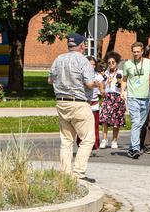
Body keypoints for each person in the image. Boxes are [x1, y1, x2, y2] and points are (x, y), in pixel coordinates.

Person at [48, 33, 99, 179]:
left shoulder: (58, 59)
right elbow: (89, 83)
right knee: (88, 139)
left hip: (62, 102)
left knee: (66, 140)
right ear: (82, 46)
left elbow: (50, 80)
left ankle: (65, 172)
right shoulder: (84, 61)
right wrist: (97, 84)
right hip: (79, 103)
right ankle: (78, 172)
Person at [121, 42, 150, 159]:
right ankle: (136, 148)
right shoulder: (127, 64)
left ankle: (131, 148)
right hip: (133, 97)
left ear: (142, 51)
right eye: (134, 52)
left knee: (140, 124)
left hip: (145, 97)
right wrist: (122, 91)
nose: (136, 54)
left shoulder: (149, 63)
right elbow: (124, 79)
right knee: (136, 122)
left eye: (138, 52)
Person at [99, 51, 126, 149]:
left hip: (117, 96)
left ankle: (114, 140)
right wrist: (102, 90)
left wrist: (120, 83)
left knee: (116, 121)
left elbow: (124, 85)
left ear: (117, 62)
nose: (111, 64)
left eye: (113, 62)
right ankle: (104, 139)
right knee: (104, 118)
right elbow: (101, 85)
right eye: (109, 62)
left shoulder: (121, 73)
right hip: (107, 96)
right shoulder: (105, 73)